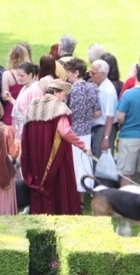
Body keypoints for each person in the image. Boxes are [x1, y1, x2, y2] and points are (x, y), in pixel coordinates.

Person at [20, 80, 92, 215]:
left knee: (38, 181)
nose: (64, 99)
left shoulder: (32, 107)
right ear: (56, 92)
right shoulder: (59, 108)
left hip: (35, 156)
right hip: (54, 158)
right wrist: (83, 146)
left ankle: (39, 212)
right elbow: (65, 132)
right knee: (57, 185)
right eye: (63, 95)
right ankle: (58, 213)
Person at [63, 58, 100, 193]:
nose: (67, 76)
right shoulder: (92, 88)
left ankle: (73, 192)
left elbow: (66, 111)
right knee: (84, 162)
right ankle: (84, 191)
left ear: (76, 72)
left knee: (74, 163)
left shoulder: (70, 90)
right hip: (87, 130)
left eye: (68, 72)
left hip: (72, 131)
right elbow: (97, 112)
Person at [116, 63, 140, 186]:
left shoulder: (128, 94)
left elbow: (120, 117)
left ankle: (125, 203)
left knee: (126, 173)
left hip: (129, 136)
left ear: (136, 75)